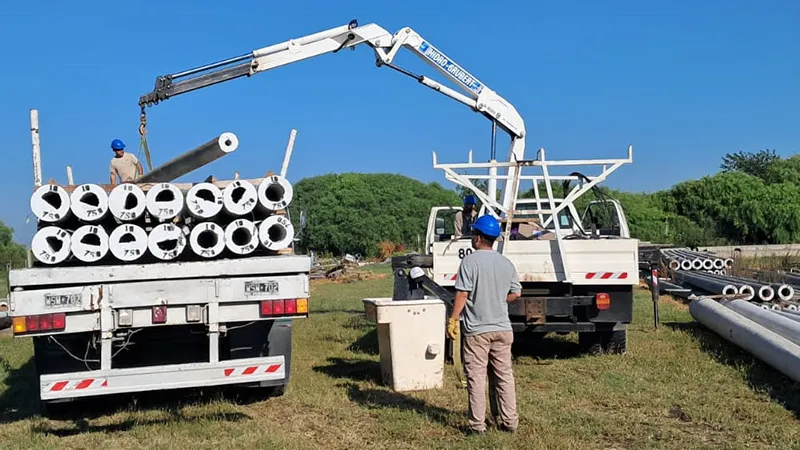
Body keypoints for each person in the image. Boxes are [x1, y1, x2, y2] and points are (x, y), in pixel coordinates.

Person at [447, 214, 522, 435]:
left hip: (477, 331)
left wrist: (453, 319)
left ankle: (477, 426)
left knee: (477, 378)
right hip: (503, 329)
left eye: (473, 234)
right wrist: (500, 300)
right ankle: (510, 422)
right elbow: (516, 293)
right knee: (504, 375)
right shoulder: (506, 262)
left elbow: (462, 294)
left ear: (478, 238)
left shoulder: (469, 262)